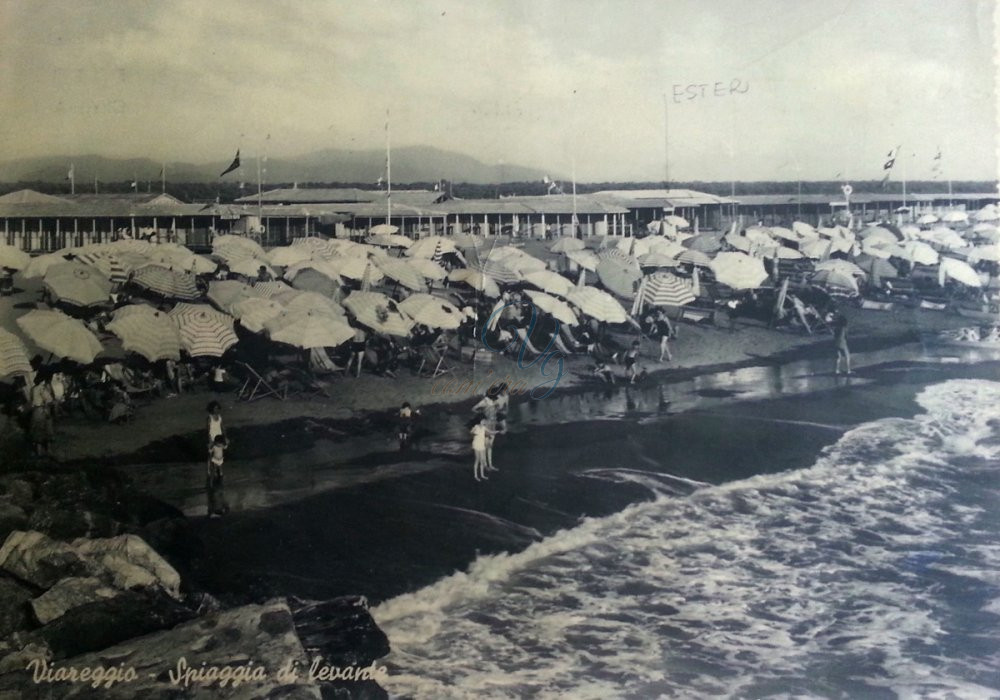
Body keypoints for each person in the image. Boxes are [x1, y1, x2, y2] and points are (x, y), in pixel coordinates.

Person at [472, 391, 500, 472]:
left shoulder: (495, 401)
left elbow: (497, 409)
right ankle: (485, 465)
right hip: (487, 425)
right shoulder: (484, 402)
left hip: (493, 425)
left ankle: (490, 465)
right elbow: (473, 408)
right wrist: (481, 415)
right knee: (485, 445)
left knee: (490, 446)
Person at [206, 434, 230, 518]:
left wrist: (227, 442)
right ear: (217, 443)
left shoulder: (220, 446)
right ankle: (216, 478)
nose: (221, 445)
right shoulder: (215, 447)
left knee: (220, 470)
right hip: (215, 460)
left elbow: (225, 446)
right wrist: (210, 447)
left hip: (219, 460)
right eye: (220, 443)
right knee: (215, 470)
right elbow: (210, 451)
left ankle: (219, 476)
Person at [470, 416, 494, 482]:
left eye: (485, 421)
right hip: (476, 444)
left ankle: (482, 475)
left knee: (482, 460)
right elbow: (471, 432)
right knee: (477, 460)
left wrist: (498, 431)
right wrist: (475, 433)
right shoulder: (476, 426)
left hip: (482, 445)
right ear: (480, 421)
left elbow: (490, 432)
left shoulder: (484, 427)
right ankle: (476, 476)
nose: (484, 422)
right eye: (483, 421)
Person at [831, 310, 850, 375]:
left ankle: (836, 370)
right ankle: (848, 370)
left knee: (838, 357)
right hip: (843, 343)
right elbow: (846, 336)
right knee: (847, 356)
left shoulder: (836, 328)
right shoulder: (844, 328)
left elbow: (834, 336)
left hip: (836, 343)